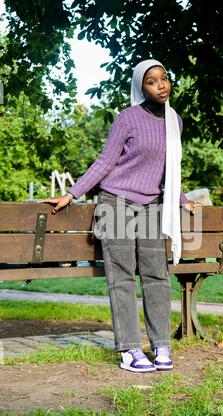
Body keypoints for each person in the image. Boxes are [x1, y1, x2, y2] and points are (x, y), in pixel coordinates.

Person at [39, 59, 199, 373]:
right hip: (117, 203)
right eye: (152, 81)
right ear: (141, 88)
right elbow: (105, 162)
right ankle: (129, 350)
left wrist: (181, 199)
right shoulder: (127, 118)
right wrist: (72, 194)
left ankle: (161, 345)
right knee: (122, 278)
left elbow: (168, 169)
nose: (161, 85)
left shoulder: (174, 121)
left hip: (153, 205)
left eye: (164, 78)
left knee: (157, 276)